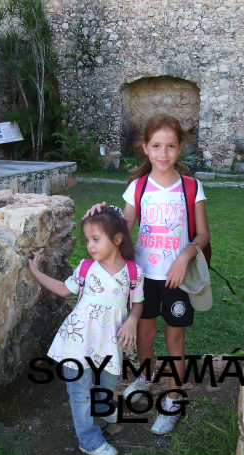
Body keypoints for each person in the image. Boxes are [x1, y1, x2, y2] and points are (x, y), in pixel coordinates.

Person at [83, 115, 210, 435]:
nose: (163, 153)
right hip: (142, 277)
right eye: (156, 146)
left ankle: (174, 398)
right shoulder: (137, 188)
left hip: (176, 278)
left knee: (175, 337)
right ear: (145, 148)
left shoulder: (191, 186)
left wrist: (185, 255)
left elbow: (204, 234)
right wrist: (100, 219)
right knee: (143, 334)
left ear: (181, 147)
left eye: (170, 146)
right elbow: (123, 228)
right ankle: (146, 374)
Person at [28, 208, 144, 455]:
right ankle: (88, 440)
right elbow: (62, 289)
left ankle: (102, 408)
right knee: (80, 394)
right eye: (87, 239)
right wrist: (36, 272)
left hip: (110, 344)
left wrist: (133, 320)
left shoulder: (133, 272)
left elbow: (137, 304)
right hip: (77, 343)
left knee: (107, 385)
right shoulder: (85, 268)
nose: (90, 246)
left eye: (96, 238)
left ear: (116, 238)